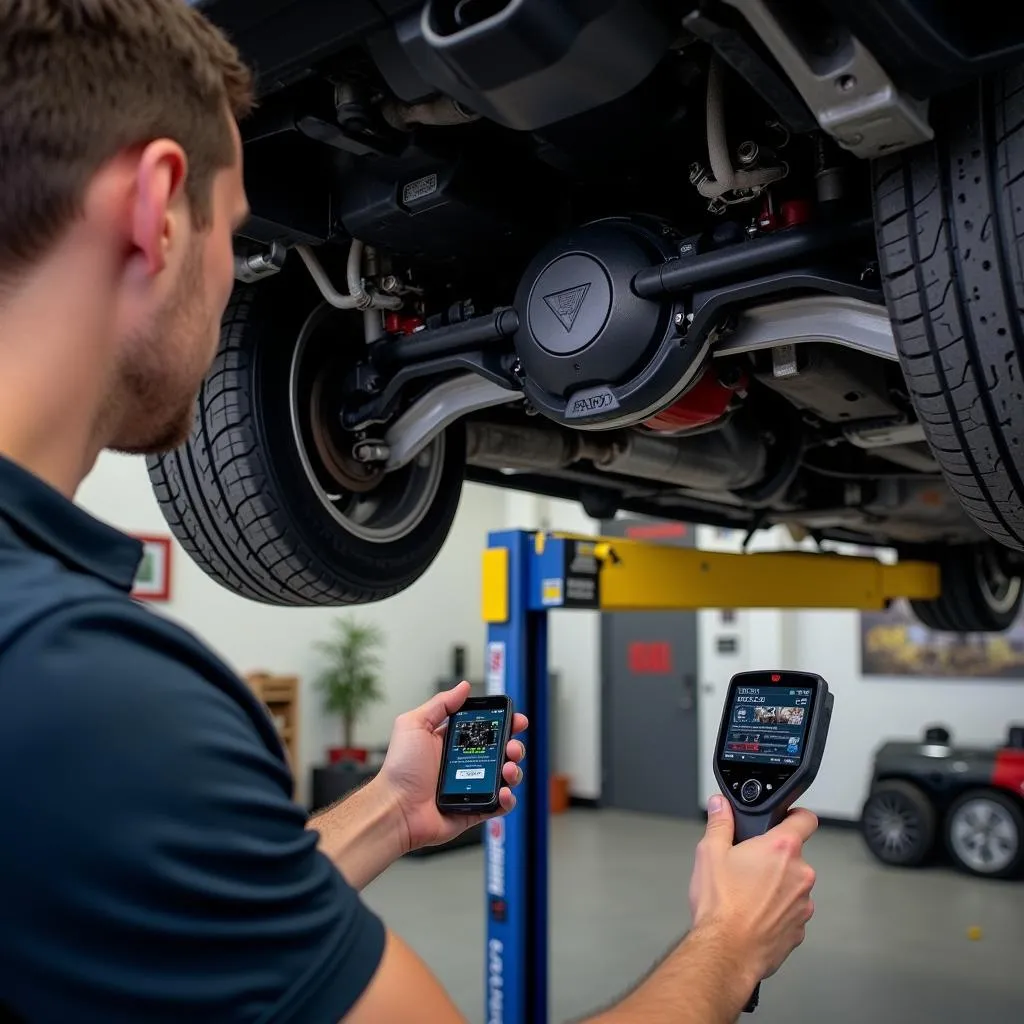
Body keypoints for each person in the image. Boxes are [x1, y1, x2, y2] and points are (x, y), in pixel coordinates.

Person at [0, 3, 819, 1022]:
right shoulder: (84, 691)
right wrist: (729, 943)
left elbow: (162, 913)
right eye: (238, 227)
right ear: (157, 209)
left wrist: (388, 808)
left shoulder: (44, 669)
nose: (229, 281)